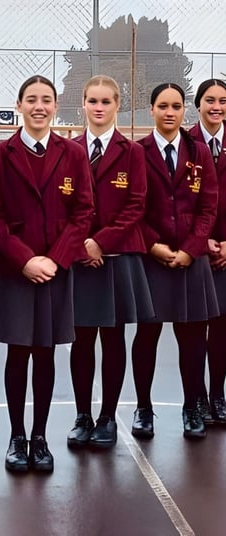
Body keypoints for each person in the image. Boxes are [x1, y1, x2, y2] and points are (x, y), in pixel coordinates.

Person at [0, 75, 94, 473]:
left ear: (55, 106)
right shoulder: (0, 154)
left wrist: (55, 258)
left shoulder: (72, 154)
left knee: (46, 353)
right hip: (18, 271)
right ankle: (17, 436)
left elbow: (83, 211)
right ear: (19, 106)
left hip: (55, 270)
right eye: (31, 99)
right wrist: (24, 259)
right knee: (18, 353)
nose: (39, 106)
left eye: (46, 100)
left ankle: (40, 436)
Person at [66, 75, 152, 449]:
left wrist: (100, 242)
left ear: (117, 106)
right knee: (81, 339)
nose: (99, 108)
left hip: (116, 258)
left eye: (106, 101)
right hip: (80, 259)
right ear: (82, 104)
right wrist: (81, 246)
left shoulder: (132, 152)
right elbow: (64, 206)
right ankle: (83, 415)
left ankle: (107, 417)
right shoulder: (68, 150)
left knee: (113, 338)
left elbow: (136, 205)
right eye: (93, 101)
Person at [131, 83, 219, 440]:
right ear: (151, 109)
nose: (170, 112)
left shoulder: (199, 153)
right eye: (163, 106)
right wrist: (153, 246)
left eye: (177, 106)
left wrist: (191, 247)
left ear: (185, 111)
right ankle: (143, 407)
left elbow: (208, 208)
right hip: (153, 261)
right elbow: (134, 208)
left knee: (194, 339)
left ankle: (191, 406)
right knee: (146, 336)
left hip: (190, 259)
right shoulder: (137, 153)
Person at [190, 79, 226, 425]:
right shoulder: (187, 143)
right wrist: (202, 242)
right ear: (198, 104)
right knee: (196, 330)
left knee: (222, 330)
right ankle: (197, 396)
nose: (216, 106)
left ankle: (218, 394)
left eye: (223, 101)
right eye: (210, 100)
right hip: (198, 250)